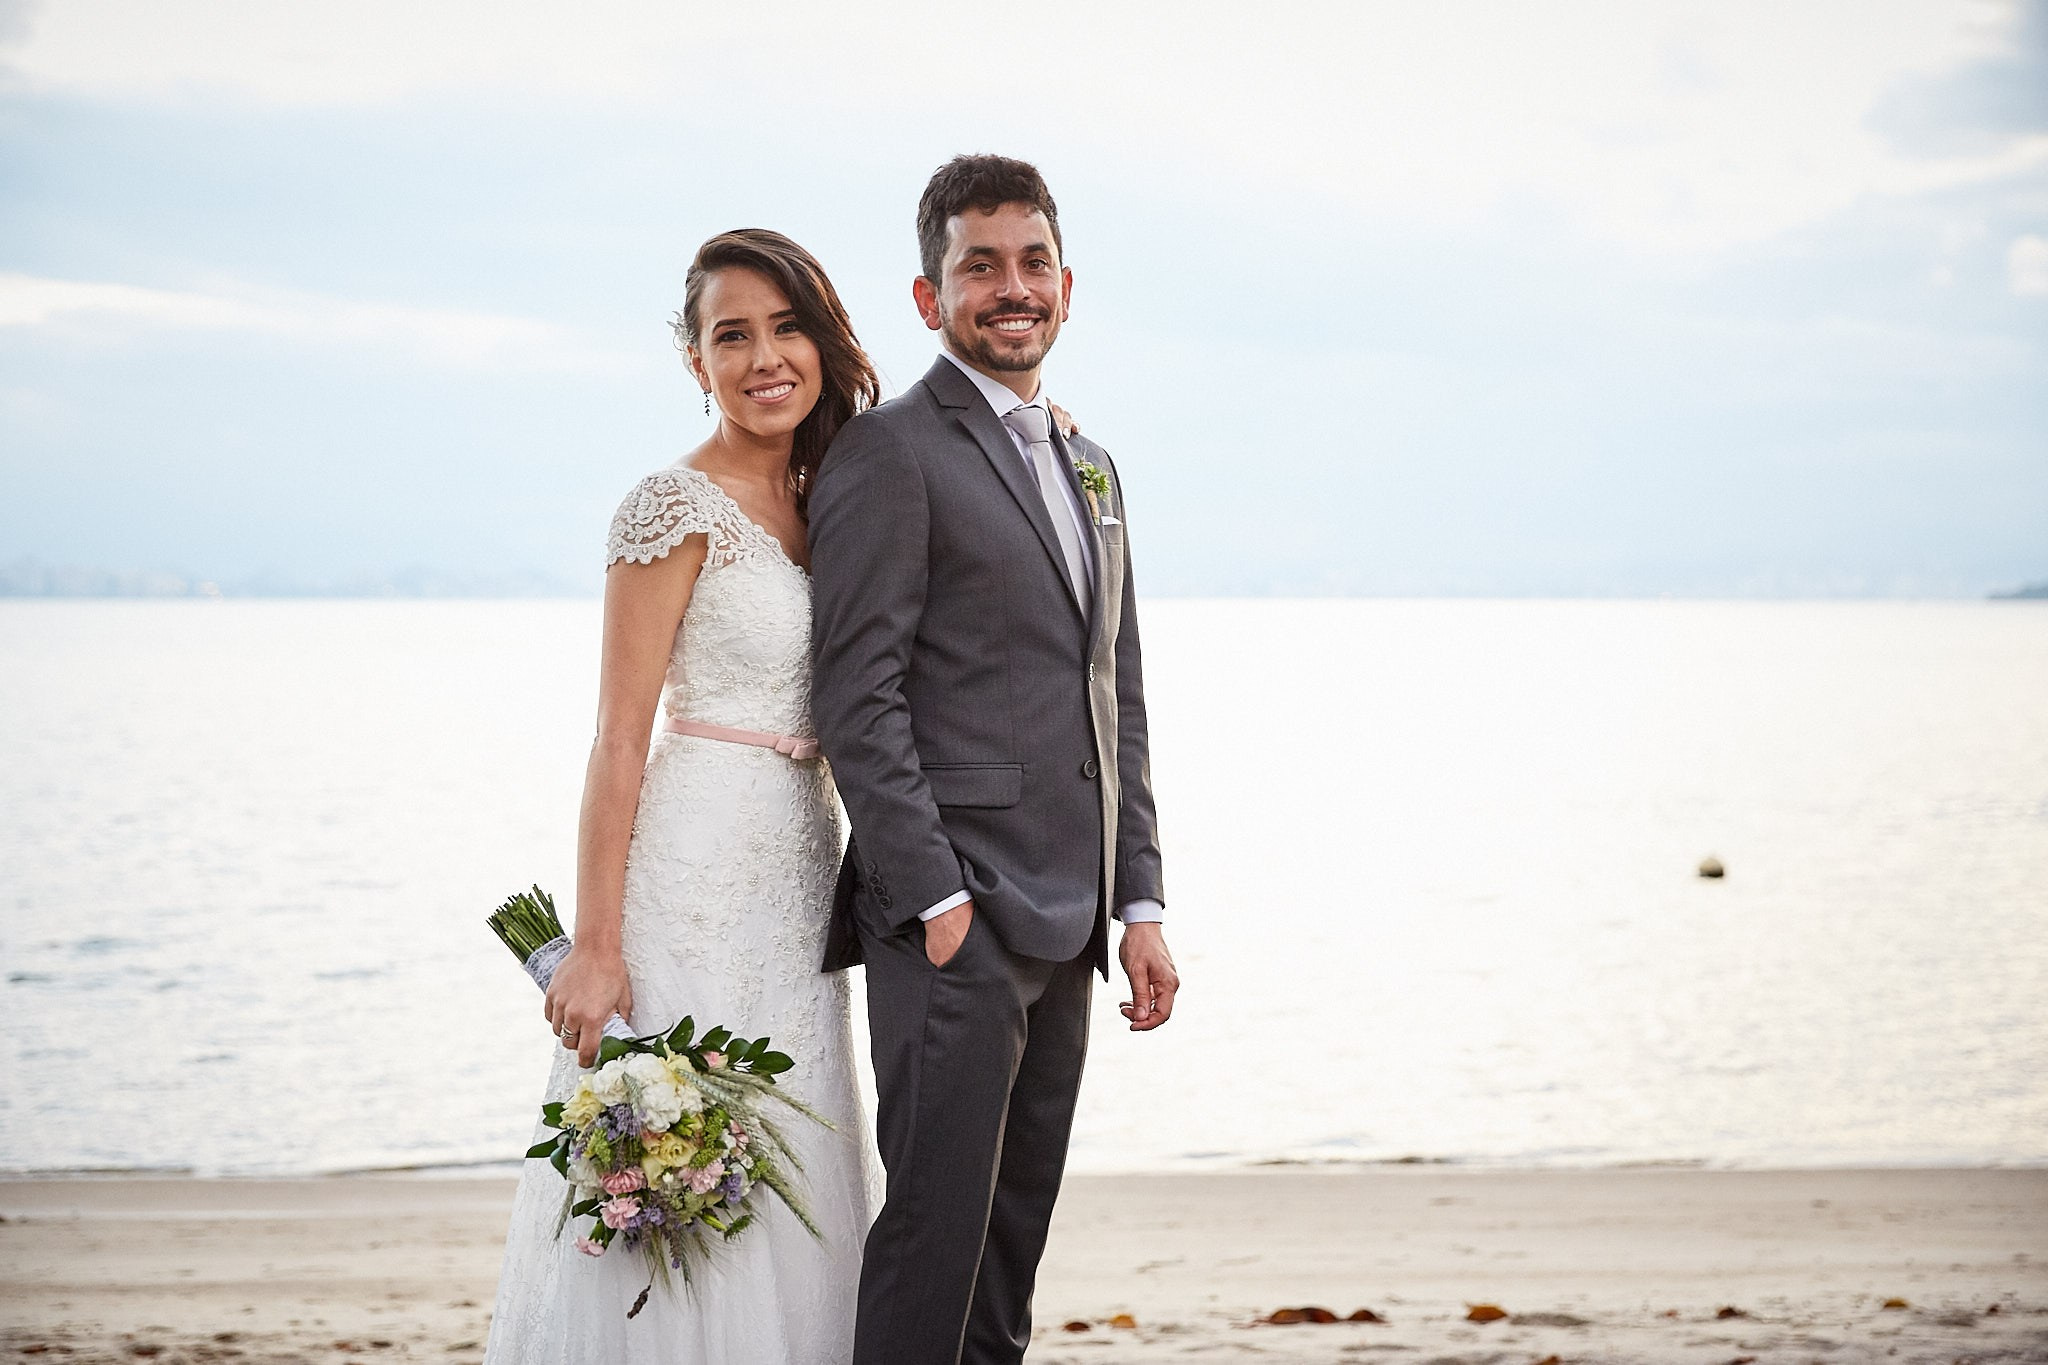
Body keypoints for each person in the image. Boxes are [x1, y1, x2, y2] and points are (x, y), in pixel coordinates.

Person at [484, 228, 882, 1364]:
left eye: (787, 325)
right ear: (694, 361)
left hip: (802, 880)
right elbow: (618, 739)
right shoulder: (671, 507)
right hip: (693, 872)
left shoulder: (833, 492)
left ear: (823, 338)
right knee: (684, 1160)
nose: (765, 355)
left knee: (797, 1147)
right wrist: (596, 946)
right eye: (732, 334)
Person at [809, 153, 1181, 1365]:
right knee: (932, 1240)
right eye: (979, 266)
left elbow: (1109, 693)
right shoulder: (890, 452)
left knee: (1008, 1251)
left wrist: (1139, 903)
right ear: (931, 299)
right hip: (951, 926)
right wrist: (935, 899)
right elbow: (855, 697)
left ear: (1065, 286)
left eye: (1031, 263)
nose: (1009, 287)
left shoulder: (1091, 464)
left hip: (1071, 924)